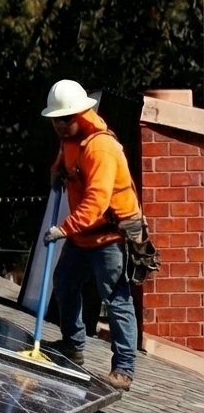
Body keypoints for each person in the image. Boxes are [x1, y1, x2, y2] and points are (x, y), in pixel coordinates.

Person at [40, 79, 141, 391]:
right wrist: (56, 170)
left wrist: (63, 229)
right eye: (55, 119)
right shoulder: (70, 137)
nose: (57, 125)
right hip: (84, 235)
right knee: (66, 282)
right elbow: (65, 159)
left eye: (63, 119)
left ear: (78, 115)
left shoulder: (101, 148)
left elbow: (96, 203)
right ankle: (73, 345)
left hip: (108, 236)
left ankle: (123, 369)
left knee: (116, 298)